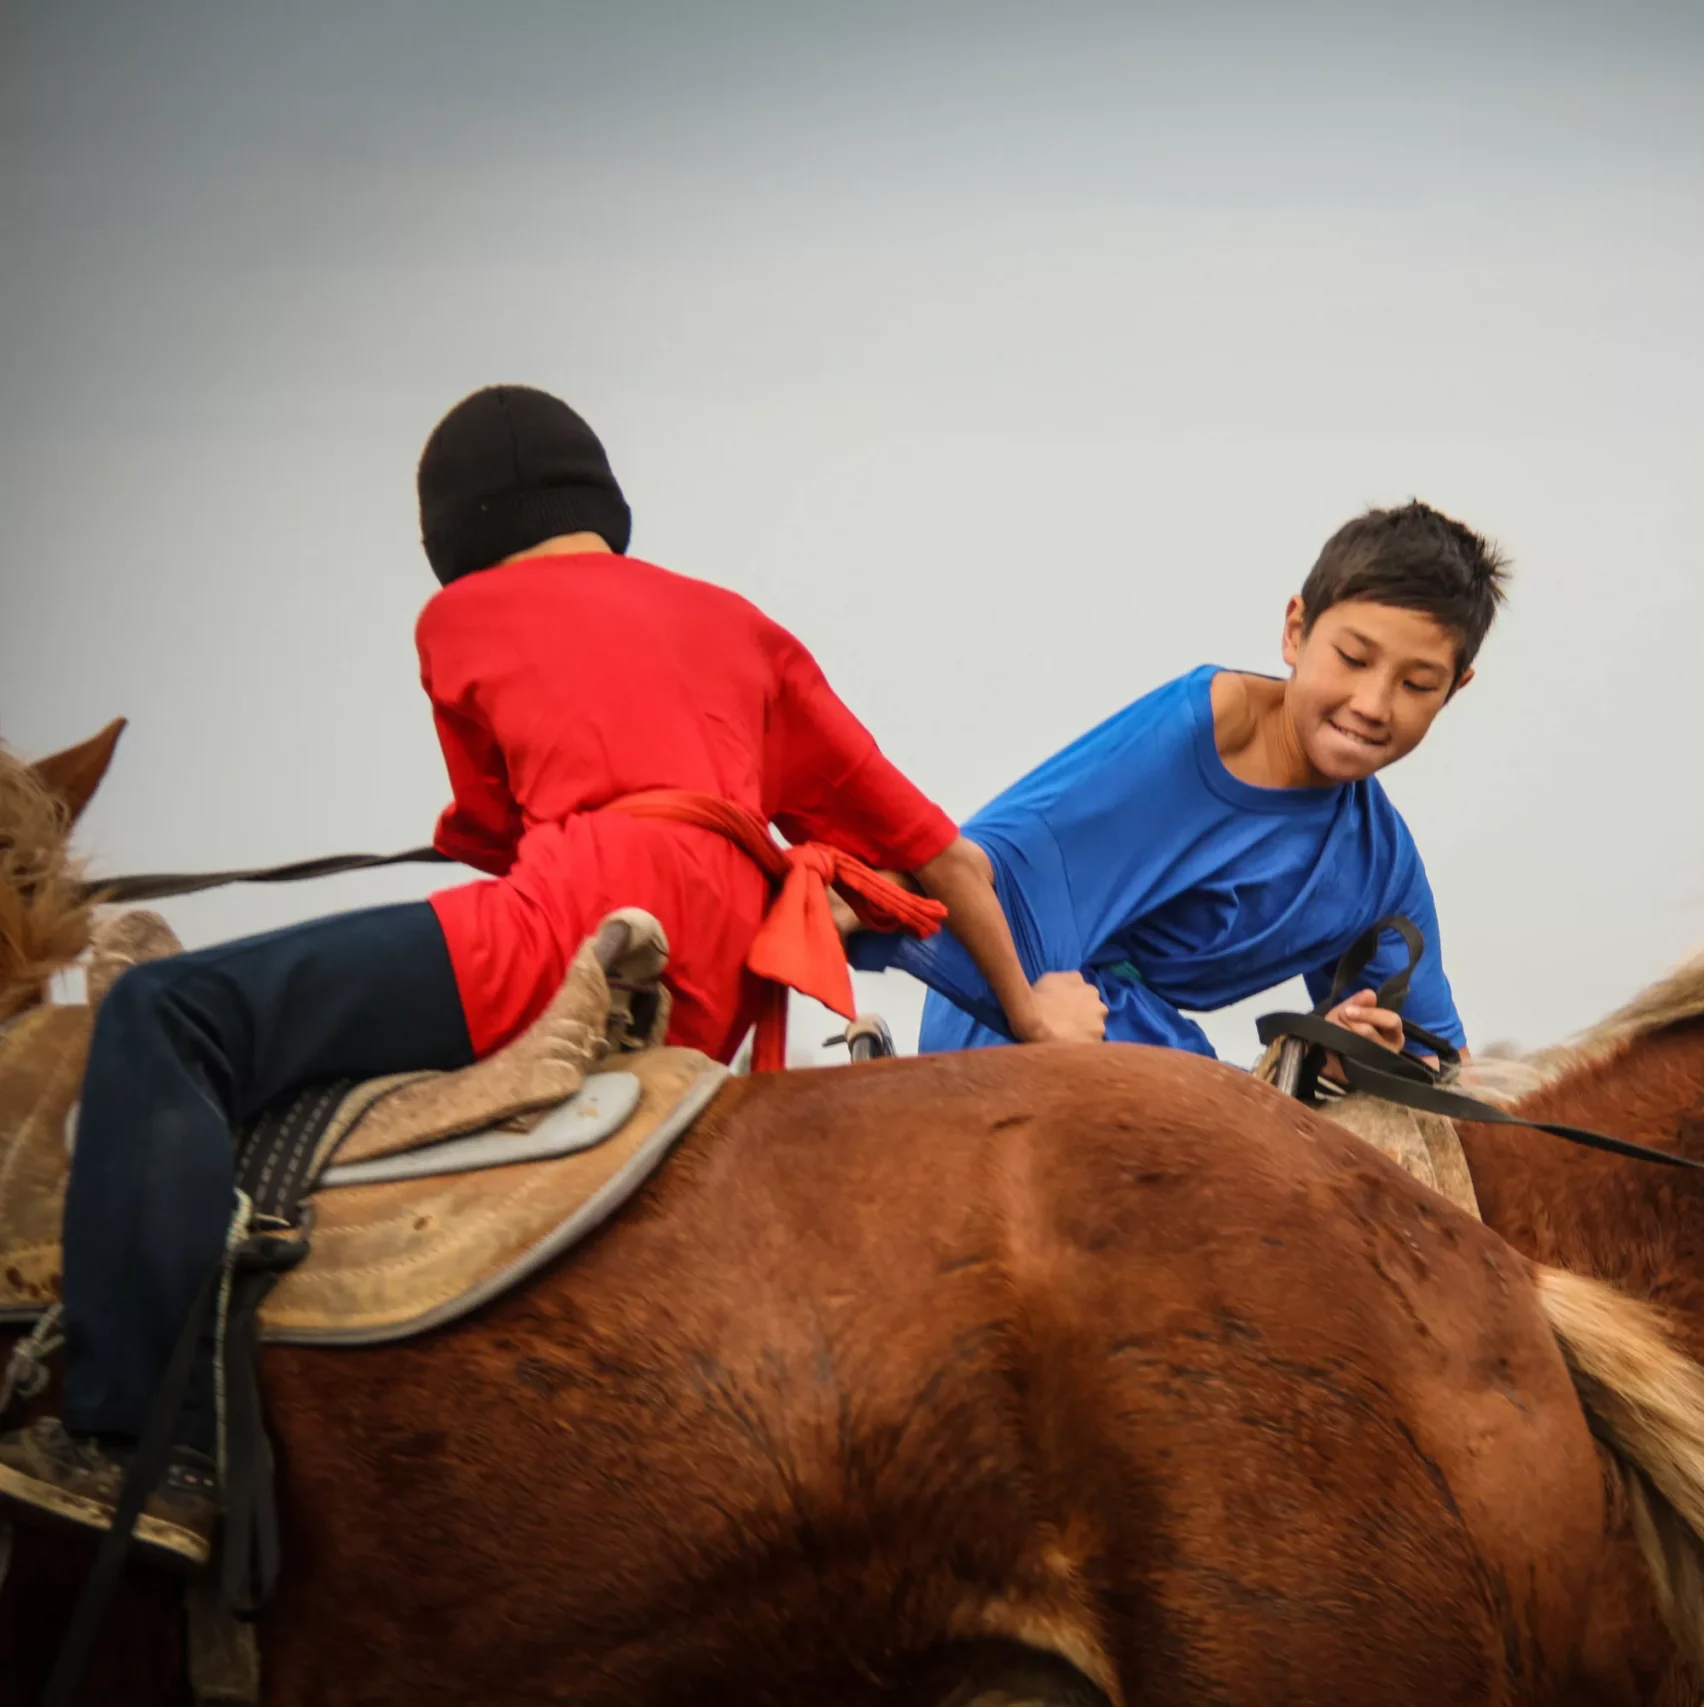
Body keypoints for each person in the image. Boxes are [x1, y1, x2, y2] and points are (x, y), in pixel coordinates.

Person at [0, 385, 1102, 1569]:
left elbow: (495, 827)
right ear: (604, 509)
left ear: (450, 543)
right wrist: (1036, 1015)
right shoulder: (741, 625)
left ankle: (136, 1440)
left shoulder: (460, 621)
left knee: (174, 1013)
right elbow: (951, 858)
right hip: (718, 965)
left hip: (574, 917)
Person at [856, 500, 1502, 1066]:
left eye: (1417, 684)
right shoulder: (1202, 730)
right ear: (1296, 631)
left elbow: (1441, 1063)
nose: (1373, 702)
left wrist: (1348, 1057)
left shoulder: (1378, 869)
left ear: (1454, 691)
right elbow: (989, 864)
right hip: (1026, 1023)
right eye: (1353, 658)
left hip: (1172, 1070)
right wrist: (853, 896)